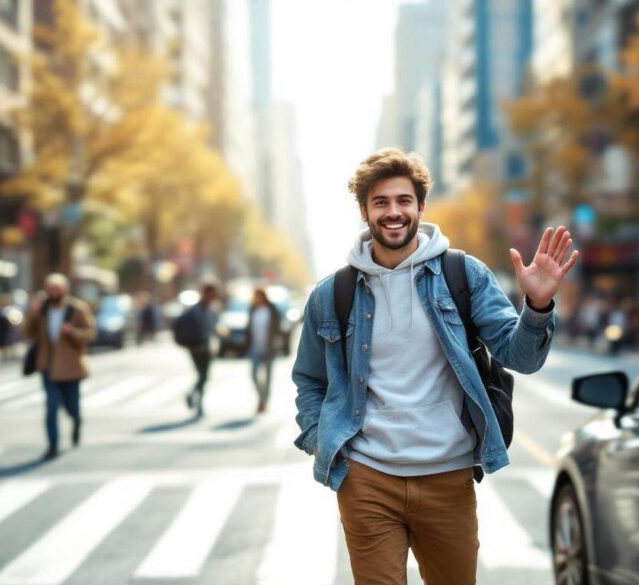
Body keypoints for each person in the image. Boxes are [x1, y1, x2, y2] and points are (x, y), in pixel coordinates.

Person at [291, 148, 579, 584]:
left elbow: (521, 357)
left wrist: (537, 305)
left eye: (403, 201)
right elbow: (309, 378)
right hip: (368, 478)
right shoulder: (332, 294)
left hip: (448, 476)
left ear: (421, 206)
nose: (393, 212)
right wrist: (321, 439)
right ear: (364, 210)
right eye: (381, 202)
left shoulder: (463, 275)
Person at [23, 273, 96, 461]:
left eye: (56, 288)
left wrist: (71, 331)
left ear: (64, 290)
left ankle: (76, 420)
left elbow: (90, 334)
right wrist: (33, 313)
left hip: (71, 367)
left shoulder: (77, 308)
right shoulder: (42, 310)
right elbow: (28, 333)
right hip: (48, 366)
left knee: (72, 406)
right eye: (49, 288)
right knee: (51, 407)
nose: (52, 292)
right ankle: (52, 444)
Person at [181, 279, 220, 418]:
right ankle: (196, 399)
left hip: (207, 348)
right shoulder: (197, 310)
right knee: (202, 376)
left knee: (203, 376)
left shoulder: (211, 310)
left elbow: (214, 329)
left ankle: (197, 401)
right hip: (197, 348)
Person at [246, 287, 283, 415]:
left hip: (269, 349)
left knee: (267, 377)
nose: (257, 299)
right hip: (255, 348)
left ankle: (264, 402)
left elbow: (278, 328)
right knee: (254, 375)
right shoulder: (252, 310)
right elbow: (248, 328)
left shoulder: (271, 310)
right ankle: (261, 397)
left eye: (258, 296)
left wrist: (277, 343)